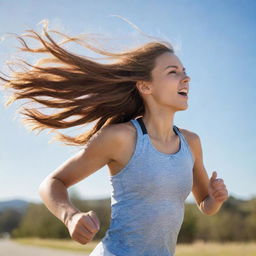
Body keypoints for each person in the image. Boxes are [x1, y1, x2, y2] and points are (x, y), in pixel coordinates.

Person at [0, 24, 229, 256]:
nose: (186, 78)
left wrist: (216, 198)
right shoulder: (121, 138)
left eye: (184, 71)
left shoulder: (191, 143)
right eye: (173, 72)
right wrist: (70, 217)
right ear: (145, 85)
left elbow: (205, 205)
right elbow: (52, 183)